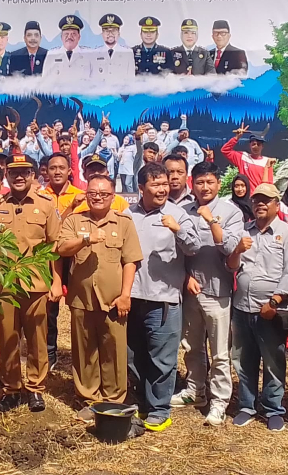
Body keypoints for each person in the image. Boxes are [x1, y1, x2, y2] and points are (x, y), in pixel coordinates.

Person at [0, 154, 62, 413]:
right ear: (7, 177)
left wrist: (56, 281)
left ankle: (35, 388)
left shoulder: (45, 206)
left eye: (25, 172)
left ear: (33, 175)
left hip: (35, 284)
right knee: (8, 339)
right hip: (4, 286)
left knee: (37, 339)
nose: (19, 177)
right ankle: (12, 388)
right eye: (14, 173)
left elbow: (53, 245)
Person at [56, 175, 141, 421]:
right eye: (93, 193)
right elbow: (61, 249)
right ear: (86, 193)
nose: (98, 198)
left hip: (114, 299)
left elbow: (131, 261)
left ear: (113, 197)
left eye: (104, 194)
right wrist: (85, 239)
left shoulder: (123, 222)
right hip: (81, 299)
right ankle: (89, 399)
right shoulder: (75, 220)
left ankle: (114, 399)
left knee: (114, 350)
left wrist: (126, 295)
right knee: (85, 351)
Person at [128, 162, 201, 431]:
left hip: (164, 299)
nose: (162, 189)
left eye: (164, 184)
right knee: (134, 356)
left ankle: (160, 409)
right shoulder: (128, 214)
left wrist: (177, 230)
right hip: (132, 297)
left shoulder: (177, 214)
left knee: (163, 359)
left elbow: (194, 248)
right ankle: (142, 402)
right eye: (155, 184)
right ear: (141, 188)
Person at [172, 162, 244, 426]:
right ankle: (195, 391)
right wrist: (185, 277)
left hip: (218, 292)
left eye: (210, 182)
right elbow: (177, 252)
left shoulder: (231, 212)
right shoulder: (182, 211)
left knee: (219, 352)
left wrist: (210, 220)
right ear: (192, 183)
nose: (205, 187)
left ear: (218, 184)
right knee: (191, 346)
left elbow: (230, 249)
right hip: (191, 290)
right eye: (200, 182)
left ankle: (219, 402)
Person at [226, 182, 288, 431]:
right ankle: (247, 405)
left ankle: (273, 408)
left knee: (273, 360)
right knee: (243, 360)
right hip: (242, 308)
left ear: (276, 205)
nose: (259, 204)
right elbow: (232, 266)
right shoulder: (245, 232)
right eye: (256, 200)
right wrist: (237, 250)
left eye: (266, 200)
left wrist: (274, 301)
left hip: (269, 309)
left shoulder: (287, 234)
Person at [220, 127, 275, 191]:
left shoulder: (267, 162)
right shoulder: (243, 157)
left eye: (258, 144)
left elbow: (269, 183)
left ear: (262, 146)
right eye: (253, 144)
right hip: (245, 197)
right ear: (250, 145)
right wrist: (237, 137)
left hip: (259, 197)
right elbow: (225, 150)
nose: (256, 146)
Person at [44, 15, 91, 82]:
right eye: (66, 34)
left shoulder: (88, 54)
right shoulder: (52, 55)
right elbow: (45, 82)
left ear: (79, 37)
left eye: (73, 34)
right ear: (61, 37)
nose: (69, 37)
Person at [89, 14, 134, 83]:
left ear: (119, 33)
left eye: (113, 31)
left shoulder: (128, 53)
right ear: (102, 34)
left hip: (120, 93)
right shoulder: (94, 53)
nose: (110, 34)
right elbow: (91, 80)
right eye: (107, 31)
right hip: (101, 92)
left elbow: (131, 79)